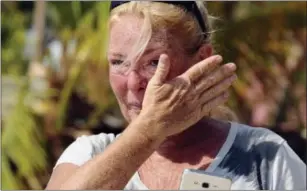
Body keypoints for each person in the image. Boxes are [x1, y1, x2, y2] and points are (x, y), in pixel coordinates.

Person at [46, 1, 306, 190]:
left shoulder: (265, 157)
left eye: (153, 63)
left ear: (202, 60)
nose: (134, 82)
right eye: (118, 62)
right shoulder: (89, 153)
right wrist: (150, 130)